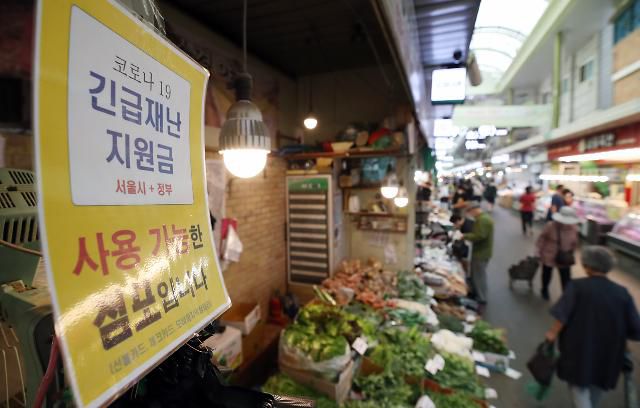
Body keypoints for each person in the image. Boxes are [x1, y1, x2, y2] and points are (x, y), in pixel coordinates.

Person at [545, 246, 640, 408]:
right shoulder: (622, 292)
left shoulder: (577, 286)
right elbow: (636, 328)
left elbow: (562, 314)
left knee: (578, 386)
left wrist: (552, 333)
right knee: (598, 384)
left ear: (587, 266)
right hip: (610, 351)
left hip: (580, 348)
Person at [536, 206, 579, 299]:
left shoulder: (574, 228)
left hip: (565, 256)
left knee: (566, 277)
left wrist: (571, 252)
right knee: (547, 273)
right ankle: (544, 289)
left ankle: (566, 296)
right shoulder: (550, 225)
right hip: (549, 254)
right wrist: (538, 251)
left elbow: (575, 242)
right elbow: (542, 238)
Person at [463, 203, 494, 305]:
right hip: (482, 251)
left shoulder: (482, 220)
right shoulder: (483, 218)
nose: (470, 215)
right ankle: (477, 293)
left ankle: (481, 298)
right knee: (477, 274)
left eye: (470, 212)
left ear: (474, 209)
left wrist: (465, 236)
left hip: (481, 252)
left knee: (479, 275)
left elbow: (480, 235)